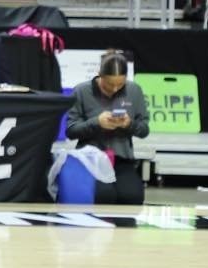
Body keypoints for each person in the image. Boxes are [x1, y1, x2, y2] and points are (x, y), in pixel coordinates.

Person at [64, 50, 151, 205]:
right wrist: (97, 123)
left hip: (122, 159)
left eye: (120, 84)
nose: (115, 89)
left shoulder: (134, 91)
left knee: (132, 197)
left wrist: (128, 124)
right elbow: (71, 130)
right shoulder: (82, 91)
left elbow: (144, 130)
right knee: (103, 196)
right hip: (91, 159)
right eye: (110, 84)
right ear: (99, 75)